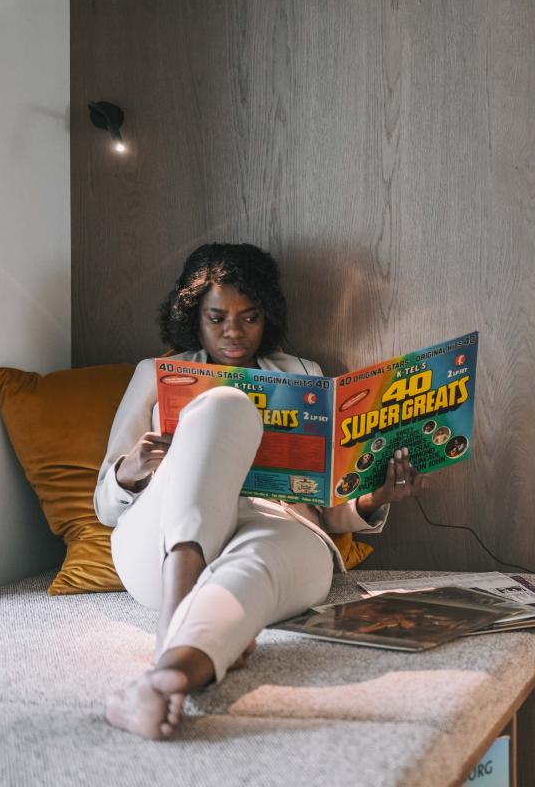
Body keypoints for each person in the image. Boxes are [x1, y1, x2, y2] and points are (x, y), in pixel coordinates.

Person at [96, 243, 423, 740]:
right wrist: (131, 469)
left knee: (256, 569)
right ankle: (174, 622)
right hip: (162, 544)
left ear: (266, 317)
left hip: (274, 525)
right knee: (225, 404)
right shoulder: (154, 374)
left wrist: (376, 497)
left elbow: (327, 506)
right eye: (216, 318)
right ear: (193, 317)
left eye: (249, 317)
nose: (233, 331)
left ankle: (169, 675)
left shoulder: (305, 376)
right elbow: (104, 506)